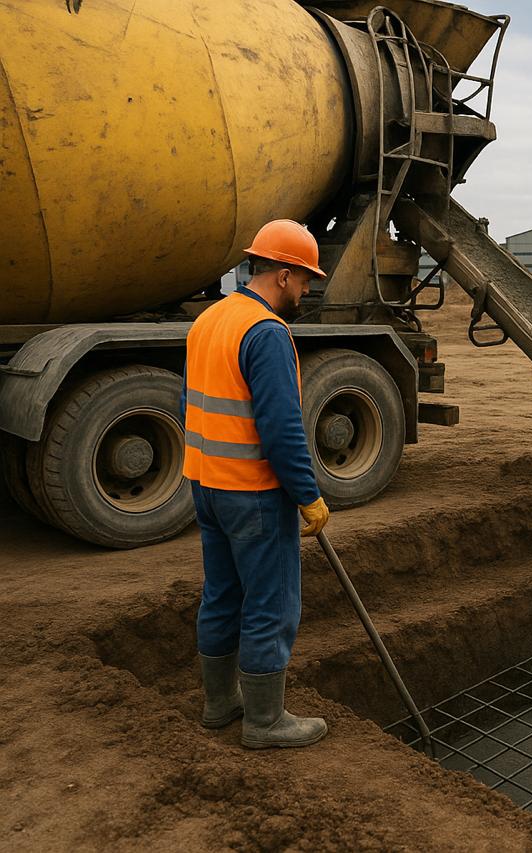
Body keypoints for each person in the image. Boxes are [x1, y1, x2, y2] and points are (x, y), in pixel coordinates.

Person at [183, 219, 331, 749]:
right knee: (272, 601)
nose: (308, 290)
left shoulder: (211, 319)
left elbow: (194, 404)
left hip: (207, 486)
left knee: (223, 595)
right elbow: (280, 427)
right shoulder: (266, 333)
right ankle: (265, 722)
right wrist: (308, 495)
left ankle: (220, 704)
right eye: (307, 279)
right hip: (253, 492)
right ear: (285, 275)